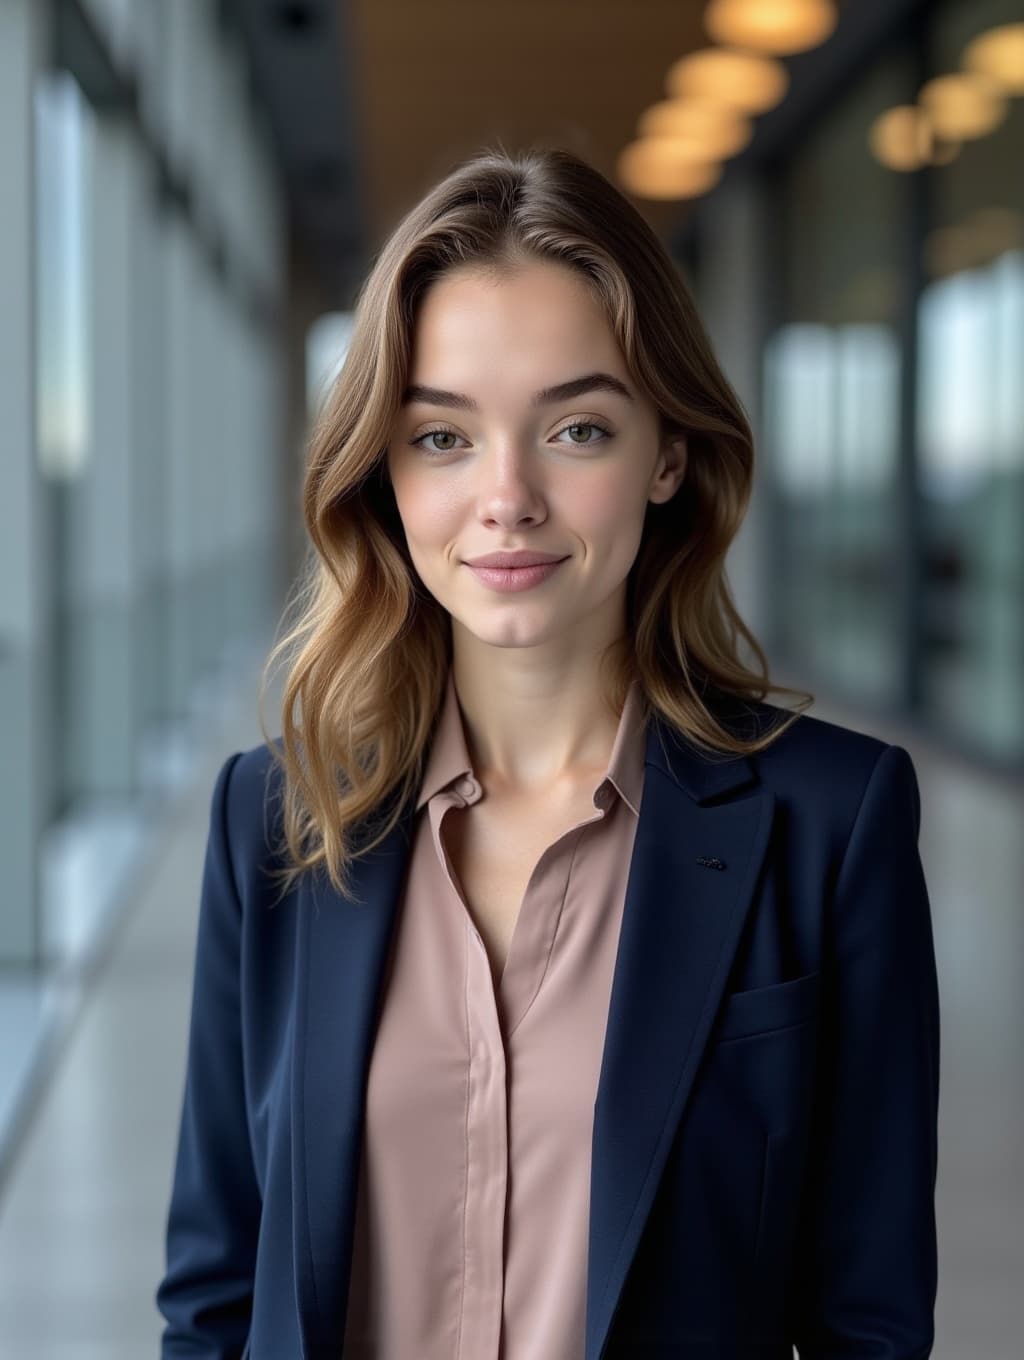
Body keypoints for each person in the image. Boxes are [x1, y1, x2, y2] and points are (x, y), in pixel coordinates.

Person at [155, 146, 940, 1359]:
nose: (506, 496)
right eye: (442, 437)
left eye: (575, 428)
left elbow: (868, 1317)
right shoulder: (274, 816)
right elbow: (212, 1287)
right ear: (383, 470)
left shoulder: (831, 821)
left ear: (666, 455)